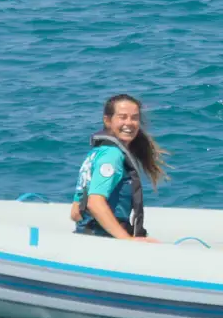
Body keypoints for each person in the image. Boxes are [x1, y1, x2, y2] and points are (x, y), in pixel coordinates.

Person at [70, 94, 168, 240]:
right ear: (107, 121)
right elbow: (95, 203)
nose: (129, 123)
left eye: (134, 118)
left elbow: (75, 212)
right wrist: (127, 240)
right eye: (122, 117)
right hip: (102, 238)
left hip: (87, 234)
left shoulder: (97, 153)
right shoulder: (112, 155)